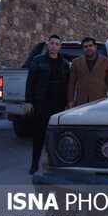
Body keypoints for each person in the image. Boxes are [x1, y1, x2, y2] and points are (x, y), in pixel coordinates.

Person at [24, 34, 70, 174]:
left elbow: (67, 85)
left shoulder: (64, 63)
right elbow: (30, 82)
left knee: (56, 135)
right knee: (39, 134)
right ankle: (34, 163)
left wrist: (68, 103)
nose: (54, 46)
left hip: (59, 104)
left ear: (60, 47)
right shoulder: (38, 61)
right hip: (42, 102)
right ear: (48, 45)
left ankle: (54, 163)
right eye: (52, 43)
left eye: (57, 44)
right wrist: (29, 101)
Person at [67, 37, 108, 108]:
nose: (88, 48)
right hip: (81, 103)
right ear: (83, 49)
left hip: (100, 102)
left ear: (95, 47)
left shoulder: (106, 61)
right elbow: (71, 84)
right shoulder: (76, 62)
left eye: (90, 46)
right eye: (85, 47)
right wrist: (70, 101)